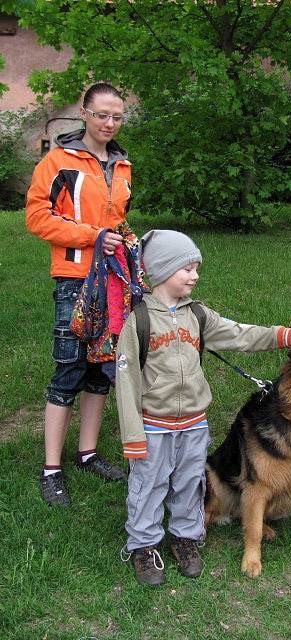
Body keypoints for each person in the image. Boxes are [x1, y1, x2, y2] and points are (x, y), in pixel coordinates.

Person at [116, 230, 291, 586]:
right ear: (161, 271)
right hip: (153, 425)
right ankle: (144, 545)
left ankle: (185, 536)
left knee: (190, 483)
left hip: (193, 423)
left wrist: (280, 335)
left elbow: (239, 334)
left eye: (196, 269)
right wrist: (132, 435)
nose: (195, 276)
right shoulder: (139, 321)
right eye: (187, 269)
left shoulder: (199, 315)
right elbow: (126, 383)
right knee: (149, 484)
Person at [26, 82, 131, 507]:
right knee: (68, 368)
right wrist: (94, 236)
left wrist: (125, 239)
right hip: (74, 278)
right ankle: (51, 468)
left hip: (112, 279)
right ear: (85, 113)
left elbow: (118, 218)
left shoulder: (122, 165)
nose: (109, 123)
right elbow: (36, 217)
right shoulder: (57, 161)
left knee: (99, 367)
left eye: (117, 116)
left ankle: (87, 453)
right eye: (102, 114)